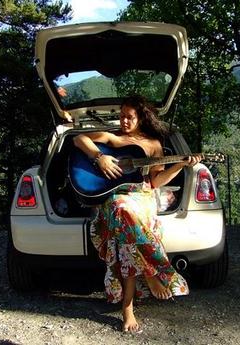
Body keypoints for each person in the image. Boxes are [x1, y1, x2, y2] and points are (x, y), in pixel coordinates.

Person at [73, 95, 201, 333]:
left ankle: (128, 307)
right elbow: (79, 139)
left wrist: (180, 164)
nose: (123, 121)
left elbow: (154, 182)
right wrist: (100, 158)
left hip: (141, 196)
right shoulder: (114, 138)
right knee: (121, 209)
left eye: (129, 117)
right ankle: (150, 272)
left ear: (141, 118)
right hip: (115, 198)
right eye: (121, 116)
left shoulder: (154, 145)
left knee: (126, 238)